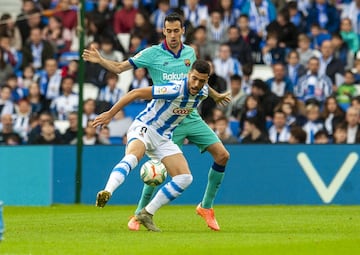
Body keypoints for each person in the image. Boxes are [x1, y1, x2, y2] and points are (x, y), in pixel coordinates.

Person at [82, 13, 230, 231]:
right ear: (163, 31)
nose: (172, 35)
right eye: (168, 31)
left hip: (186, 117)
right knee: (152, 170)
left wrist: (215, 95)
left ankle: (203, 208)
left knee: (217, 158)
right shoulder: (152, 55)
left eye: (176, 31)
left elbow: (200, 82)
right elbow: (122, 71)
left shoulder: (190, 54)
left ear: (182, 31)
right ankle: (132, 209)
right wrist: (101, 61)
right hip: (157, 119)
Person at [92, 60, 211, 232]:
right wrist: (110, 114)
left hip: (163, 138)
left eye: (202, 81)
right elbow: (135, 93)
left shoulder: (204, 92)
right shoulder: (174, 89)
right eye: (194, 78)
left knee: (185, 178)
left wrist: (218, 96)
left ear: (207, 81)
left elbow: (208, 90)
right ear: (188, 75)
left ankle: (146, 213)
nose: (196, 84)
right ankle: (107, 191)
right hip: (145, 127)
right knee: (133, 157)